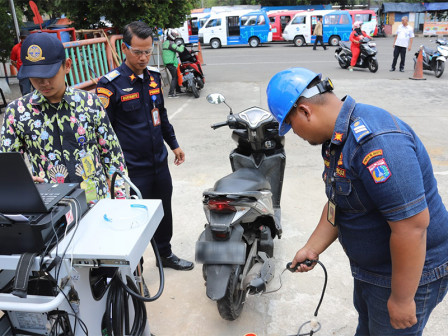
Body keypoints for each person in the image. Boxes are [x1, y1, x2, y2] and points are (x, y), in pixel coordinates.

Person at [266, 67, 448, 335]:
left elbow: (412, 228)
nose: (296, 134)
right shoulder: (336, 140)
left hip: (406, 277)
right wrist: (312, 247)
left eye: (291, 126)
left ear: (305, 111)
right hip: (372, 273)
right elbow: (339, 201)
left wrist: (401, 299)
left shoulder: (377, 144)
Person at [96, 21, 194, 271]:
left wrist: (174, 145)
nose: (143, 57)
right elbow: (103, 133)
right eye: (137, 51)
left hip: (158, 163)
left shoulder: (153, 78)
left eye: (148, 51)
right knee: (133, 220)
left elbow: (160, 115)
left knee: (163, 211)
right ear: (124, 48)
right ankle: (134, 267)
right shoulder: (110, 85)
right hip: (131, 170)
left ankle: (165, 254)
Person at [0, 32, 127, 204]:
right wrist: (24, 183)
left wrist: (119, 196)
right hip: (52, 208)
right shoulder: (17, 112)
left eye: (49, 75)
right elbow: (9, 165)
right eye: (36, 77)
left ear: (67, 65)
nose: (43, 83)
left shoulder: (90, 102)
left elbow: (111, 153)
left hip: (96, 202)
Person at [162, 28, 185, 98]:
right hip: (171, 63)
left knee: (176, 76)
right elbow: (180, 50)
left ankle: (178, 90)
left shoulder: (165, 43)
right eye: (174, 35)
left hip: (168, 62)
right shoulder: (171, 44)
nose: (175, 36)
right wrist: (182, 44)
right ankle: (171, 93)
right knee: (174, 77)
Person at [10, 30, 33, 95]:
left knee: (38, 91)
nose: (24, 39)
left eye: (26, 38)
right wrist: (19, 67)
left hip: (34, 72)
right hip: (23, 73)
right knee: (25, 93)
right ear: (20, 38)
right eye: (22, 38)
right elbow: (12, 60)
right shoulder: (16, 48)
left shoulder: (34, 46)